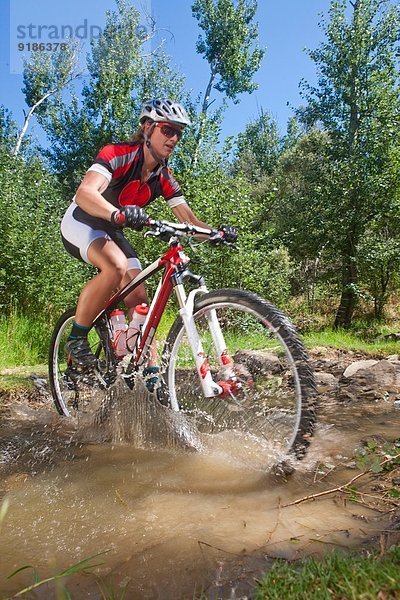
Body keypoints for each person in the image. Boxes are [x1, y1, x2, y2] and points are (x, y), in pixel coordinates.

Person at [60, 98, 237, 391]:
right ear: (147, 128)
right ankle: (76, 338)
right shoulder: (118, 154)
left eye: (179, 133)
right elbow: (85, 194)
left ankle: (145, 365)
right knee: (116, 267)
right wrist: (115, 213)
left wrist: (217, 233)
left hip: (113, 230)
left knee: (140, 296)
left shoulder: (164, 176)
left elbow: (189, 221)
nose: (174, 138)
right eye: (168, 130)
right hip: (83, 221)